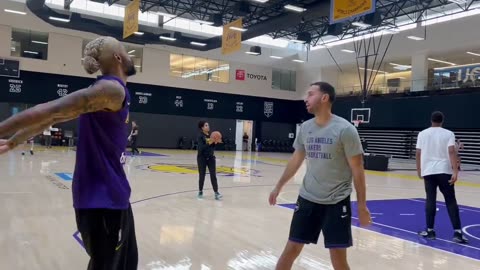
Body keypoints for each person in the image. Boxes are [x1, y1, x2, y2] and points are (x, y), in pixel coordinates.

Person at [0, 36, 138, 269]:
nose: (130, 55)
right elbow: (49, 110)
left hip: (111, 196)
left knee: (123, 262)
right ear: (118, 57)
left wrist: (13, 142)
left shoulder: (106, 91)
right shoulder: (111, 89)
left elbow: (54, 117)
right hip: (103, 201)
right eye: (127, 50)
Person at [269, 82, 371, 270]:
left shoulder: (346, 130)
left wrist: (362, 206)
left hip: (337, 201)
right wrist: (278, 186)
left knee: (338, 258)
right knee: (291, 249)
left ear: (324, 98)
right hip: (308, 198)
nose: (305, 99)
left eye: (310, 94)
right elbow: (296, 160)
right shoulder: (306, 127)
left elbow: (358, 169)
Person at [416, 111, 468, 243]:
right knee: (450, 200)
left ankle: (430, 231)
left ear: (431, 120)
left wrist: (419, 169)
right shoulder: (449, 133)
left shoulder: (422, 133)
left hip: (428, 170)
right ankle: (457, 233)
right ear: (442, 121)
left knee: (430, 200)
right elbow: (451, 152)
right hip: (444, 170)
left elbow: (418, 153)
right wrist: (455, 171)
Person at [197, 120, 222, 200]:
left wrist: (215, 142)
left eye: (208, 125)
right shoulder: (200, 136)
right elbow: (201, 148)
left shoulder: (212, 135)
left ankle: (216, 193)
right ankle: (200, 191)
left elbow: (212, 148)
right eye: (206, 125)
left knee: (213, 175)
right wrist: (209, 143)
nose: (208, 126)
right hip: (202, 158)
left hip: (211, 157)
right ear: (202, 127)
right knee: (202, 176)